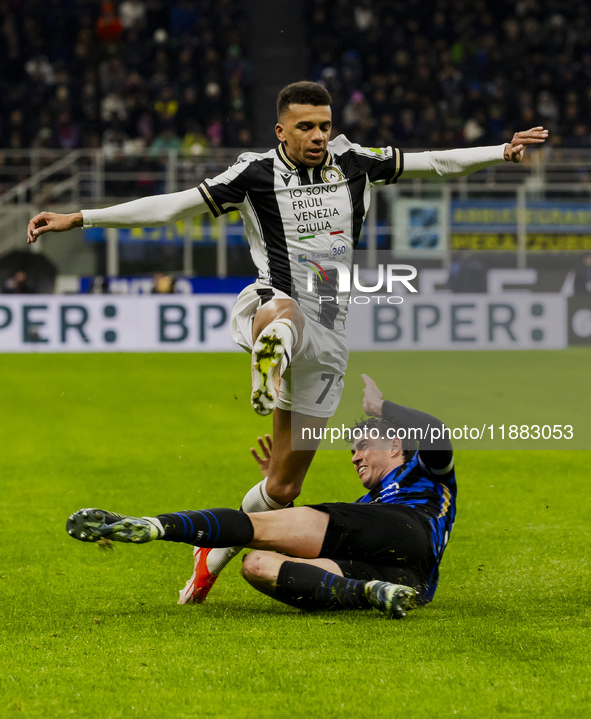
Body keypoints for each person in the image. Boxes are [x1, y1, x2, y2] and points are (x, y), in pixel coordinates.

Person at [28, 81, 546, 604]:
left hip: (331, 336)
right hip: (274, 300)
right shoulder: (253, 173)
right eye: (305, 127)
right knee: (284, 311)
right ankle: (270, 353)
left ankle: (210, 554)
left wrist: (499, 151)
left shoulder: (353, 161)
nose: (319, 135)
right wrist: (81, 217)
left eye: (324, 125)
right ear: (281, 130)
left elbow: (431, 163)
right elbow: (174, 206)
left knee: (282, 489)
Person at [66, 375, 456, 618]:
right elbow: (307, 539)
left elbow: (436, 431)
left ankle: (153, 526)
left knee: (258, 528)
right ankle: (371, 593)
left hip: (409, 529)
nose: (354, 455)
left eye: (363, 444)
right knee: (257, 565)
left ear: (396, 445)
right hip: (412, 581)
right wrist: (280, 493)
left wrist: (381, 408)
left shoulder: (425, 473)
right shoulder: (367, 508)